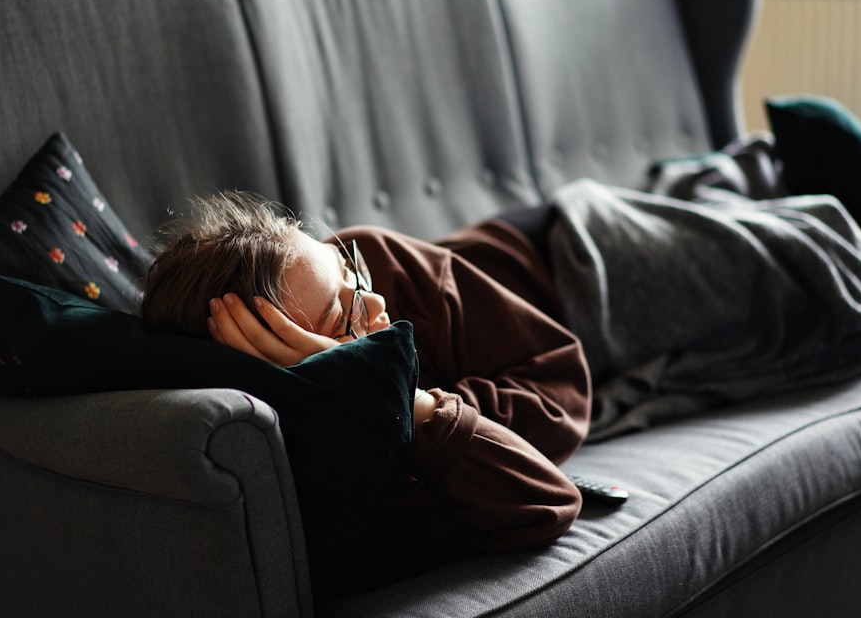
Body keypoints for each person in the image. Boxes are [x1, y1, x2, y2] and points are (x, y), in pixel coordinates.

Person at [141, 190, 591, 559]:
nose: (374, 303)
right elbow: (547, 501)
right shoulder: (333, 447)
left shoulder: (379, 259)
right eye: (342, 317)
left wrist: (428, 408)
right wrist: (397, 395)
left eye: (348, 270)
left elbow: (563, 390)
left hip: (568, 247)